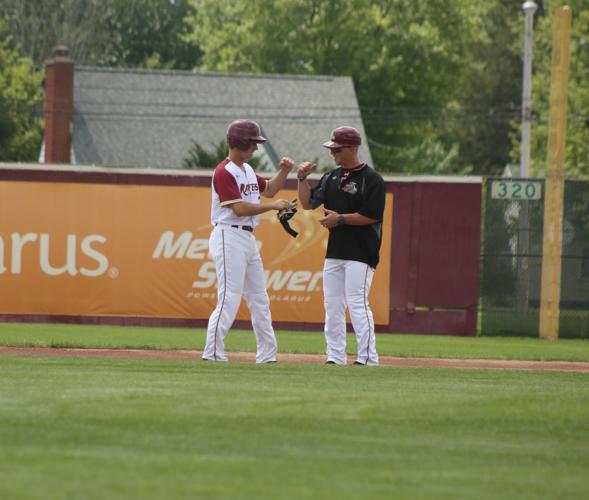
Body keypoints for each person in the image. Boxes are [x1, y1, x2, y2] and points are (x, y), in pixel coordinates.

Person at [202, 119, 295, 363]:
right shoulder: (224, 171)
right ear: (241, 142)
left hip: (246, 238)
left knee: (259, 298)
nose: (255, 148)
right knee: (229, 296)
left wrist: (284, 171)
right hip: (228, 234)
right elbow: (239, 209)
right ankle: (212, 352)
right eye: (253, 143)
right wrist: (272, 206)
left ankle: (267, 355)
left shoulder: (248, 170)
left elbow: (271, 189)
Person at [297, 126, 385, 366]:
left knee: (357, 303)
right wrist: (302, 179)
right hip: (335, 252)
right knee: (332, 306)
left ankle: (368, 357)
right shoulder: (331, 176)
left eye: (337, 148)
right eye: (332, 148)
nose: (332, 152)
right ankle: (335, 356)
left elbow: (373, 215)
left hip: (362, 253)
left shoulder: (372, 179)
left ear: (353, 148)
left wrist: (341, 219)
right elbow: (307, 203)